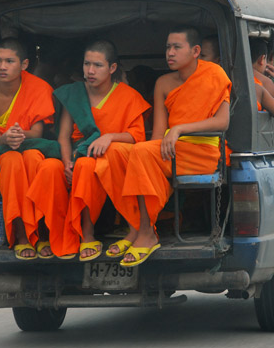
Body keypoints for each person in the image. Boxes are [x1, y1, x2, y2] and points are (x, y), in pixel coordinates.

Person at [99, 25, 232, 266]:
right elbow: (158, 134)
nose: (169, 53)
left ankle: (147, 234)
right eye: (168, 47)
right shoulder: (163, 83)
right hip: (170, 150)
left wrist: (180, 129)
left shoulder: (215, 74)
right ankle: (136, 228)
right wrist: (143, 155)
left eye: (176, 47)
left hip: (202, 152)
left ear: (195, 51)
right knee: (118, 152)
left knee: (141, 153)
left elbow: (222, 122)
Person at [26, 40, 150, 260]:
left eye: (98, 65)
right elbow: (63, 136)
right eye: (87, 64)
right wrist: (66, 164)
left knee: (86, 165)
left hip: (109, 159)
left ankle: (87, 234)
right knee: (48, 167)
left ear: (112, 68)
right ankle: (49, 234)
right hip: (75, 154)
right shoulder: (75, 94)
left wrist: (109, 137)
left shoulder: (128, 96)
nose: (90, 71)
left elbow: (136, 136)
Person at [0, 38, 55, 260]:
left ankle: (42, 232)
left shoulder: (39, 88)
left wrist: (16, 136)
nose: (2, 67)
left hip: (29, 146)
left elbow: (36, 134)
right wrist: (6, 138)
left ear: (24, 64)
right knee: (11, 162)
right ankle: (21, 236)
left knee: (35, 161)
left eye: (9, 61)